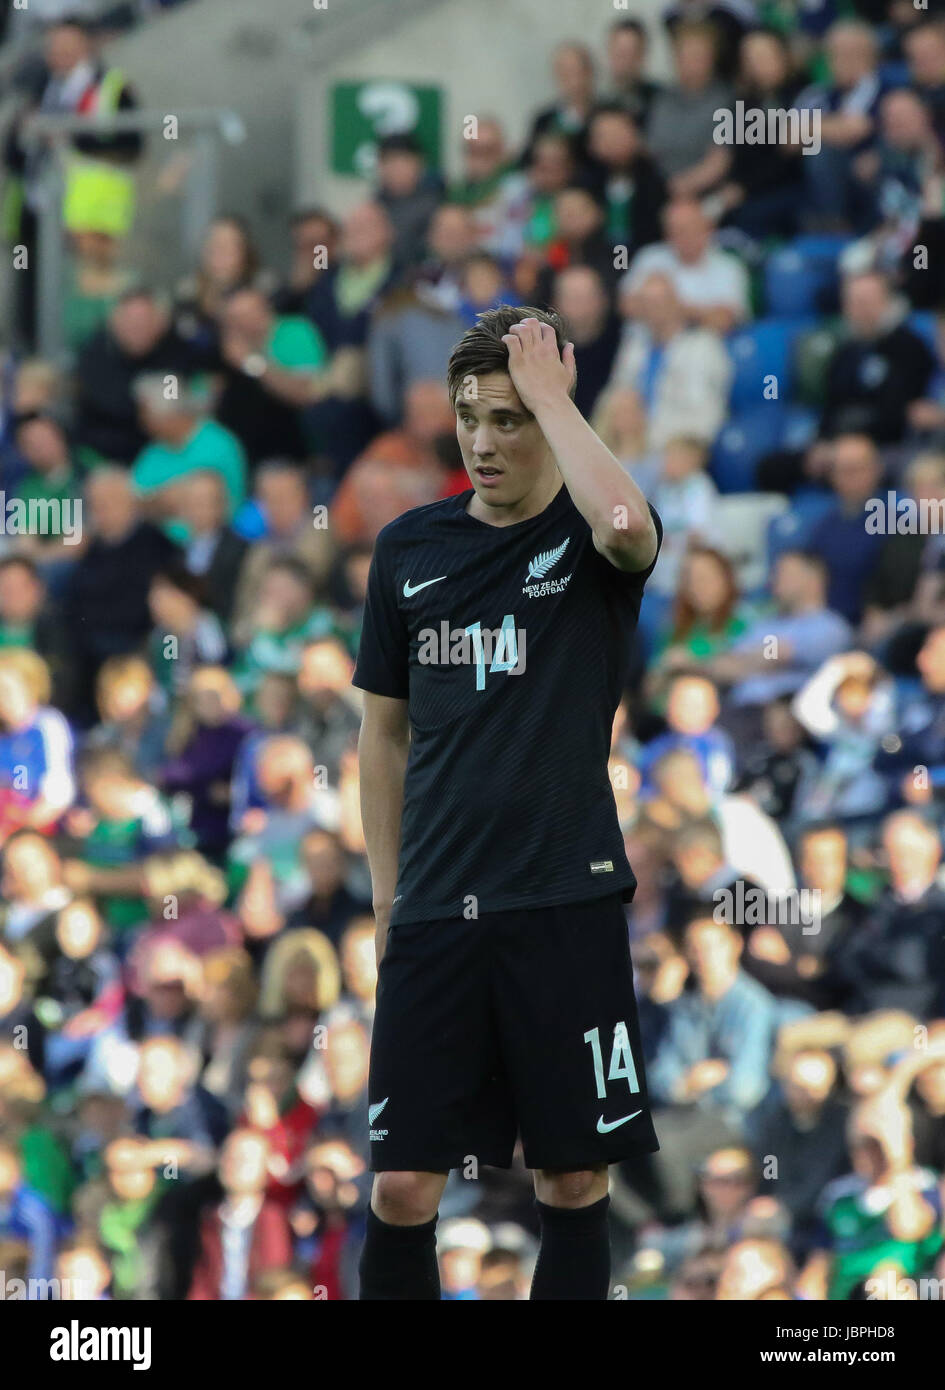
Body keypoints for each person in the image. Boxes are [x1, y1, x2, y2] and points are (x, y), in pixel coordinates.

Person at [353, 304, 662, 1302]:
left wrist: (557, 401)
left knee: (573, 1176)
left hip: (562, 900)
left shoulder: (586, 539)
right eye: (470, 416)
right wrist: (387, 896)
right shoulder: (408, 549)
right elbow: (383, 733)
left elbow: (627, 525)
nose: (484, 440)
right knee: (401, 1183)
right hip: (438, 907)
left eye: (509, 418)